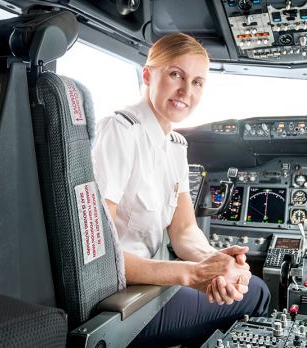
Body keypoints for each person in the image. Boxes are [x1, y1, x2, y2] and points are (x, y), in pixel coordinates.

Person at [91, 33, 270, 347]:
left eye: (198, 82)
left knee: (241, 284)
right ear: (148, 74)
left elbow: (184, 229)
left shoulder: (175, 145)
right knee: (259, 293)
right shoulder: (119, 132)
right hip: (119, 303)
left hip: (149, 289)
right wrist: (189, 274)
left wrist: (216, 264)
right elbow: (98, 257)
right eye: (176, 75)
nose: (186, 91)